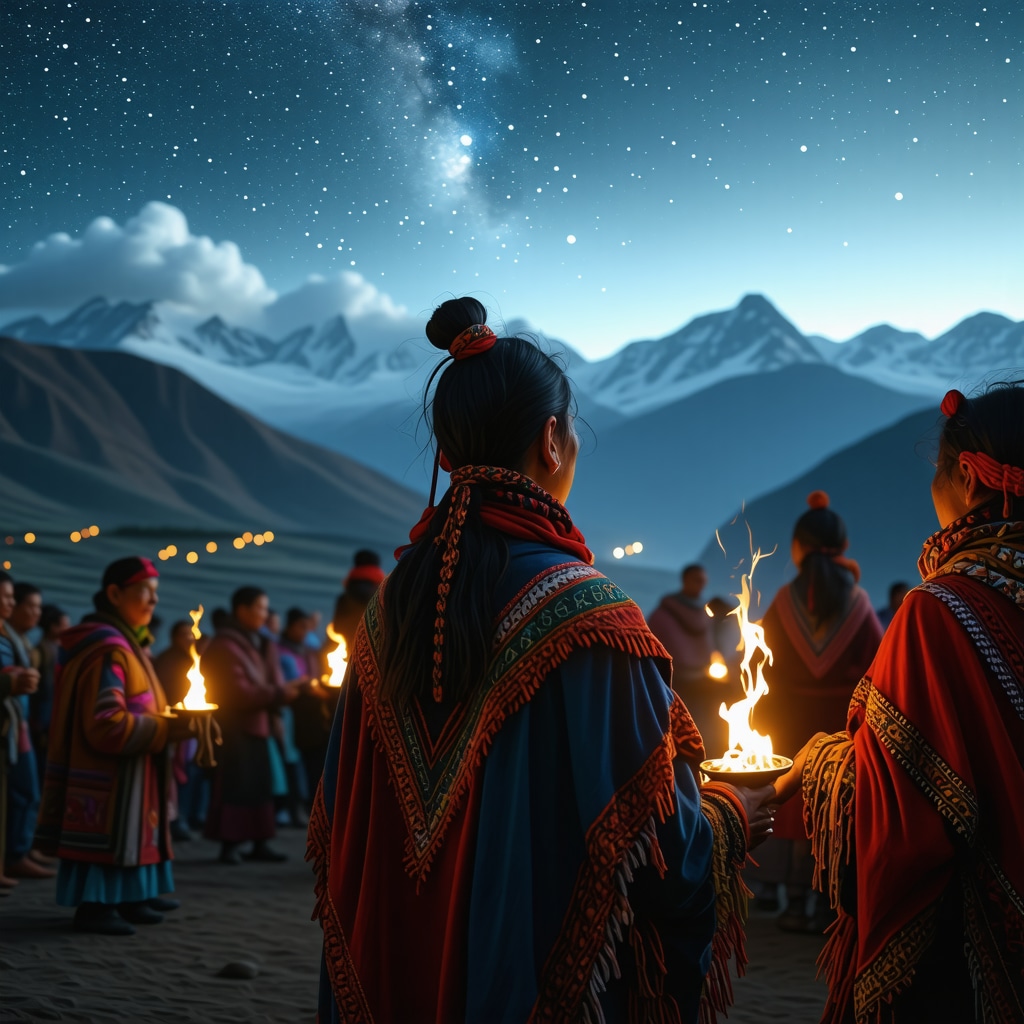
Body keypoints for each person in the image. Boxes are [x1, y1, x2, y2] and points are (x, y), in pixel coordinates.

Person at [309, 297, 775, 1023]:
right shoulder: (592, 618)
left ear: (445, 455)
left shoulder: (387, 610)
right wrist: (729, 813)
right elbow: (661, 849)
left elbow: (346, 826)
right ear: (552, 441)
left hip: (388, 976)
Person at [773, 383, 1024, 1022]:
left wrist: (823, 765)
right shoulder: (872, 607)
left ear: (968, 479)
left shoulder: (941, 614)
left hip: (976, 956)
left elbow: (904, 815)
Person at [34, 557, 186, 935]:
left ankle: (134, 896)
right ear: (115, 594)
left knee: (137, 827)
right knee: (113, 831)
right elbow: (104, 724)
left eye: (156, 594)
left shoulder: (130, 645)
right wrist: (164, 729)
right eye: (144, 592)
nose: (153, 602)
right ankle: (97, 905)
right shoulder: (107, 648)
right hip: (108, 768)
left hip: (136, 765)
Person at [755, 491, 883, 931]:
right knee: (831, 800)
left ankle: (776, 889)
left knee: (783, 797)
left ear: (798, 547)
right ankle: (823, 894)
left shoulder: (783, 601)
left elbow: (761, 662)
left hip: (786, 717)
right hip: (837, 724)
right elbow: (878, 667)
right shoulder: (860, 603)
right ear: (842, 545)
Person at [201, 586, 296, 864]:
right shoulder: (225, 645)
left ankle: (259, 842)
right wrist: (278, 694)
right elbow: (235, 690)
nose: (264, 615)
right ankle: (229, 844)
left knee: (260, 786)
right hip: (234, 727)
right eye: (260, 608)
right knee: (235, 786)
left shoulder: (254, 641)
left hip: (258, 724)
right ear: (242, 609)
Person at [1, 581, 54, 881]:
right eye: (29, 606)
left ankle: (19, 851)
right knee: (21, 791)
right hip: (14, 724)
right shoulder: (11, 640)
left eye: (38, 607)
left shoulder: (18, 640)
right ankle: (14, 854)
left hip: (19, 723)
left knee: (26, 792)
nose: (36, 612)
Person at [648, 564, 722, 742]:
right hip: (675, 681)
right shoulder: (664, 614)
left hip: (702, 679)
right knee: (680, 729)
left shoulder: (704, 612)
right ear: (685, 580)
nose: (700, 584)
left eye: (703, 581)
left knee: (700, 728)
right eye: (696, 580)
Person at [30, 603, 69, 784]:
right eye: (64, 625)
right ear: (53, 627)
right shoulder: (45, 652)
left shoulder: (45, 649)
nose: (69, 630)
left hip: (45, 719)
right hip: (44, 721)